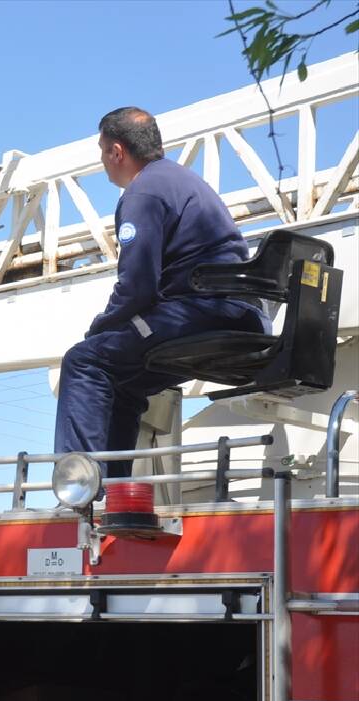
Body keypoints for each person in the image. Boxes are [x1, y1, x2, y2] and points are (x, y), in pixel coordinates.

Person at [53, 106, 270, 479]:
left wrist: (99, 330)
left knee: (84, 360)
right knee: (122, 380)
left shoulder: (144, 193)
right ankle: (114, 492)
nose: (104, 161)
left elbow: (137, 286)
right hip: (241, 315)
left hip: (201, 312)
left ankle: (79, 489)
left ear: (116, 151)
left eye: (103, 151)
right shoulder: (182, 180)